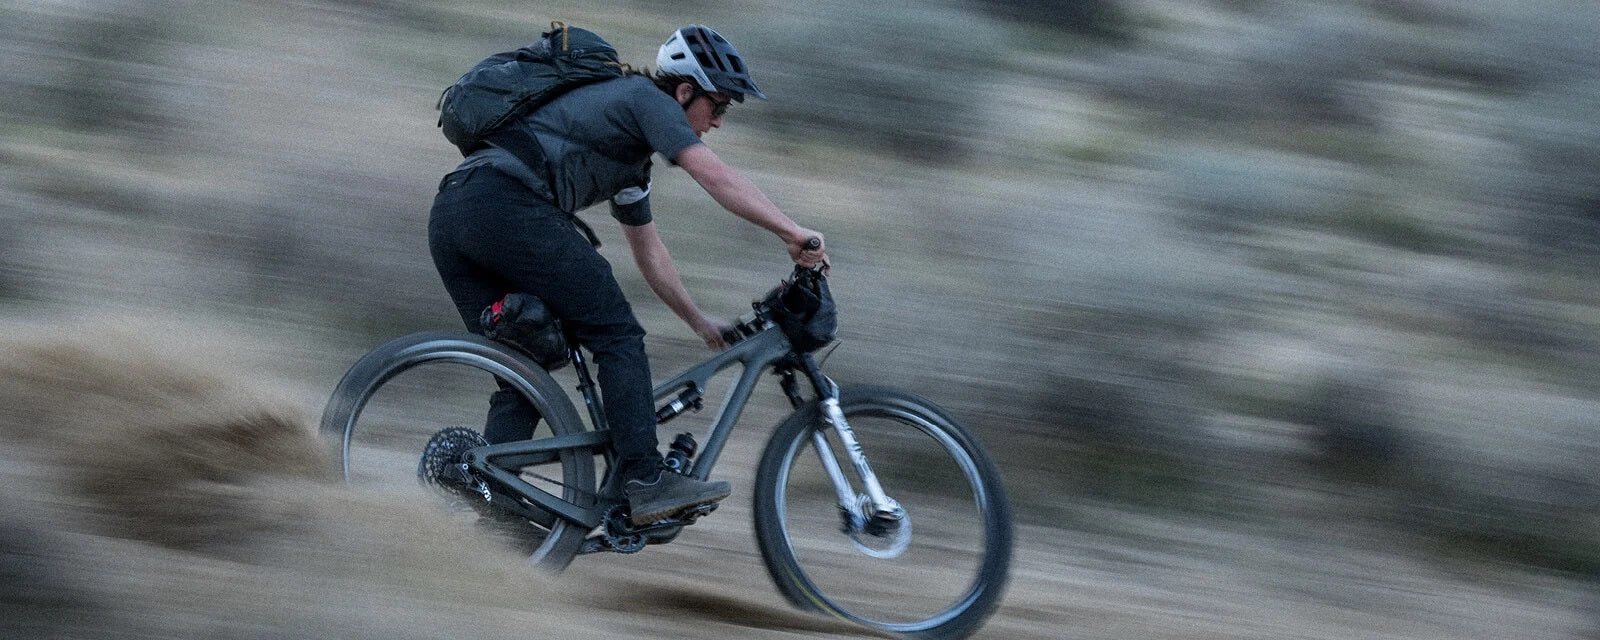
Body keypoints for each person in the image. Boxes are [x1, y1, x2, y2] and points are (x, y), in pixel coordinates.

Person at [427, 24, 827, 525]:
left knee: (524, 367)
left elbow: (648, 249)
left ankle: (497, 512)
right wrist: (793, 232)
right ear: (684, 91)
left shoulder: (630, 158)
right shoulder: (645, 98)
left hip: (455, 216)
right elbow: (714, 174)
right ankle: (644, 478)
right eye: (719, 106)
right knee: (616, 333)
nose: (718, 122)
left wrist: (699, 321)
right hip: (504, 207)